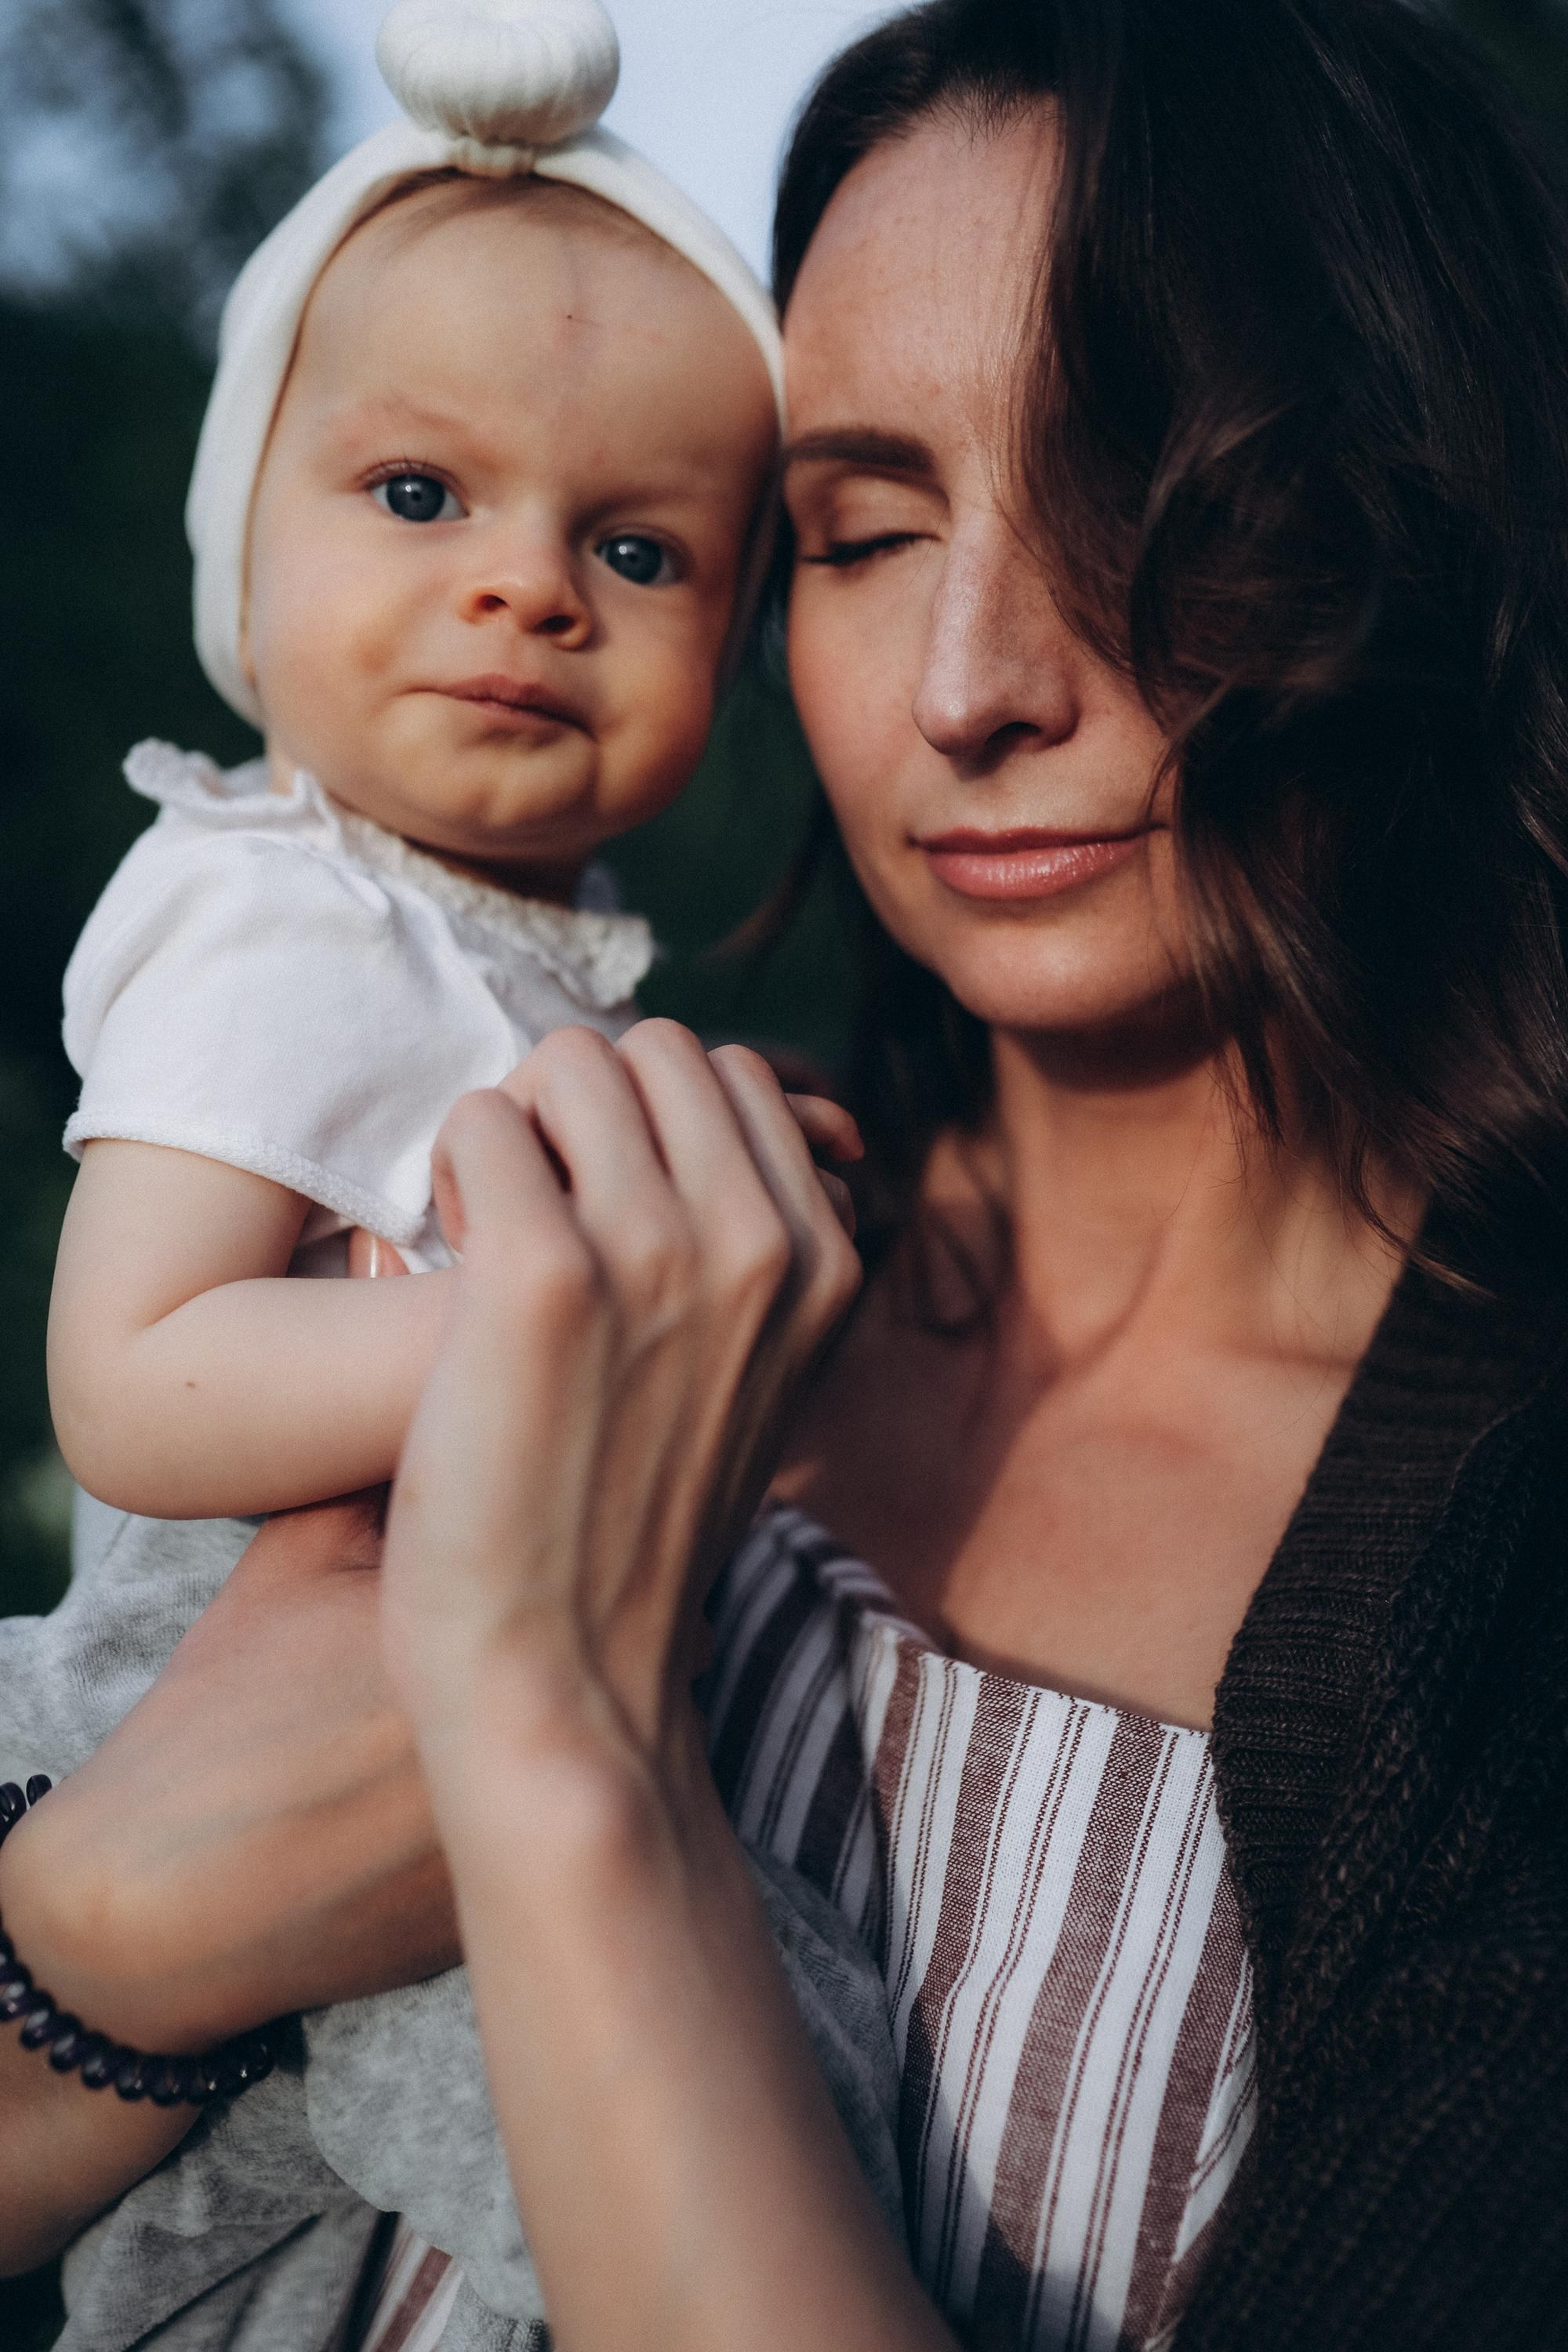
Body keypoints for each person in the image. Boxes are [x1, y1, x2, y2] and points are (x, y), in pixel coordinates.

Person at [5, 0, 1568, 2345]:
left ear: (1425, 509)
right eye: (865, 529)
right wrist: (111, 1933)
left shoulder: (1508, 1585)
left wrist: (557, 1740)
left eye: (1140, 500)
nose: (968, 683)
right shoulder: (583, 1191)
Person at [2, 0, 906, 2338]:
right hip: (211, 1715)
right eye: (421, 498)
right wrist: (565, 1307)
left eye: (635, 544)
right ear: (251, 542)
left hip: (430, 1723)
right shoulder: (286, 903)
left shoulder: (501, 953)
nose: (528, 588)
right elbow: (141, 1382)